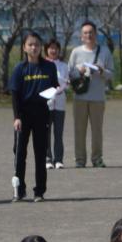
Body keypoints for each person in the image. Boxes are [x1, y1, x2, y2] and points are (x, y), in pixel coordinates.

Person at [8, 32, 56, 203]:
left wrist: (55, 92)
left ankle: (39, 191)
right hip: (24, 115)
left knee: (40, 153)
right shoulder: (20, 69)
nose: (34, 48)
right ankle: (19, 190)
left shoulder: (49, 67)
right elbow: (14, 94)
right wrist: (17, 117)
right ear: (24, 47)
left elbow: (54, 86)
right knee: (20, 153)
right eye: (30, 44)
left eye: (36, 44)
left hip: (42, 113)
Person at [68, 21, 113, 167]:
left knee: (97, 131)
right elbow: (69, 74)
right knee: (79, 130)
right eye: (85, 33)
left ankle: (97, 158)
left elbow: (111, 74)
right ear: (81, 36)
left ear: (96, 35)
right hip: (79, 97)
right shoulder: (76, 52)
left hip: (98, 98)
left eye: (91, 32)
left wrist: (101, 71)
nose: (89, 35)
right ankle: (80, 160)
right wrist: (78, 71)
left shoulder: (105, 51)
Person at [45, 36, 70, 168]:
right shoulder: (42, 64)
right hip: (46, 103)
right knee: (46, 132)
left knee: (58, 133)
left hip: (60, 103)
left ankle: (59, 159)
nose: (53, 51)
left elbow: (67, 81)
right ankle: (48, 159)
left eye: (55, 48)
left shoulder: (64, 66)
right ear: (47, 50)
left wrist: (65, 85)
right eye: (51, 48)